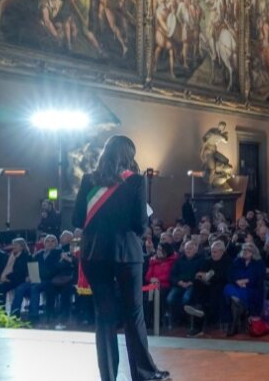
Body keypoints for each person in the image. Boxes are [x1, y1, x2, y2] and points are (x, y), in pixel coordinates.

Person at [72, 135, 169, 381]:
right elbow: (139, 223)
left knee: (104, 318)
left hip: (94, 254)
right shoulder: (135, 181)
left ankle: (108, 376)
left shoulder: (88, 180)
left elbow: (76, 220)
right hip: (126, 254)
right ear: (129, 156)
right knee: (133, 314)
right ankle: (143, 374)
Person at [223, 242, 266, 335]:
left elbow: (259, 278)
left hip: (252, 288)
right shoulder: (237, 261)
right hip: (237, 286)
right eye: (244, 249)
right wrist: (237, 282)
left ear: (253, 252)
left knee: (235, 300)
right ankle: (238, 306)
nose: (245, 251)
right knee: (227, 288)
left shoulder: (259, 263)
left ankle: (234, 325)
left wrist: (246, 282)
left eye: (248, 250)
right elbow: (230, 274)